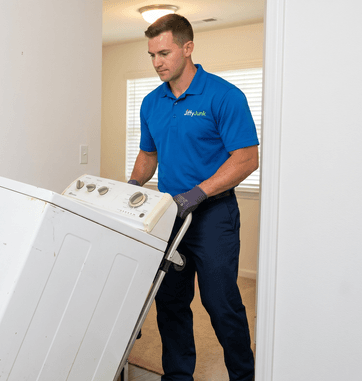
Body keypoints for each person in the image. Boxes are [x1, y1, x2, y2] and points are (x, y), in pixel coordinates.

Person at [127, 14, 258, 381]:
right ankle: (178, 376)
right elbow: (148, 154)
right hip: (169, 215)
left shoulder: (223, 95)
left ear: (188, 48)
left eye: (164, 53)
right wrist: (132, 189)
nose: (157, 63)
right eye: (152, 55)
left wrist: (198, 192)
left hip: (213, 215)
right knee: (169, 303)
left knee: (221, 305)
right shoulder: (152, 102)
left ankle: (244, 375)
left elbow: (247, 158)